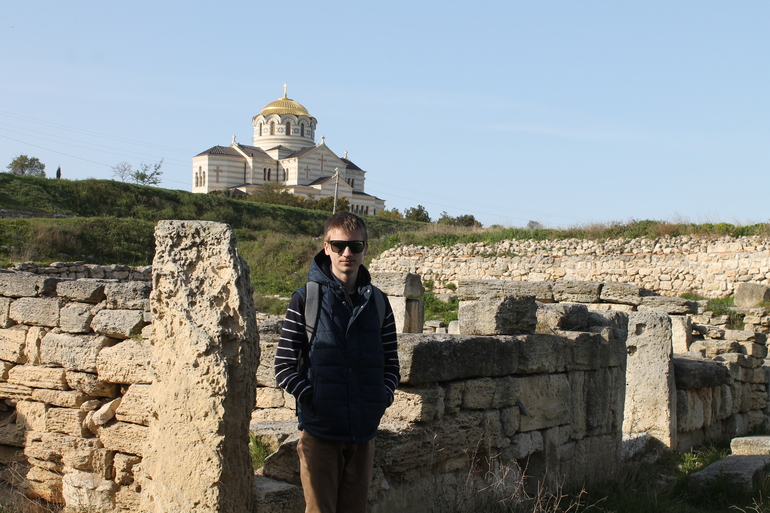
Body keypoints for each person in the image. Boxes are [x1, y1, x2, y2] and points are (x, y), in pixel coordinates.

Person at [275, 212, 400, 513]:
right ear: (326, 247)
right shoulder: (306, 299)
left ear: (365, 248)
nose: (347, 253)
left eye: (355, 246)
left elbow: (391, 364)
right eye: (339, 245)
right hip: (321, 432)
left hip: (363, 432)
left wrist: (380, 398)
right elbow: (283, 366)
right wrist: (313, 399)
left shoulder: (379, 302)